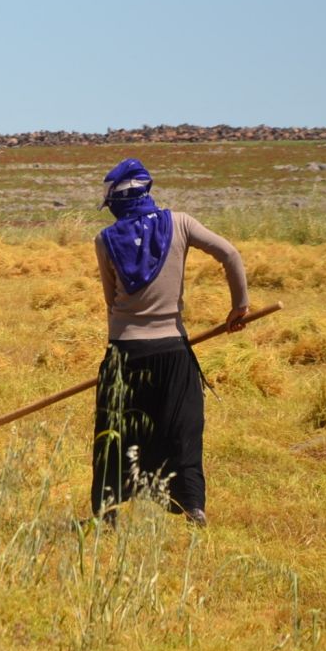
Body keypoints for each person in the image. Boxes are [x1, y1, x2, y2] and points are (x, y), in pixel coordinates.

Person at [91, 158, 248, 527]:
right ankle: (193, 507)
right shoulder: (181, 223)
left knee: (115, 434)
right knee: (182, 429)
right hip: (173, 351)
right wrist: (240, 306)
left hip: (125, 352)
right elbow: (230, 254)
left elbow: (111, 302)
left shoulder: (105, 240)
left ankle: (107, 514)